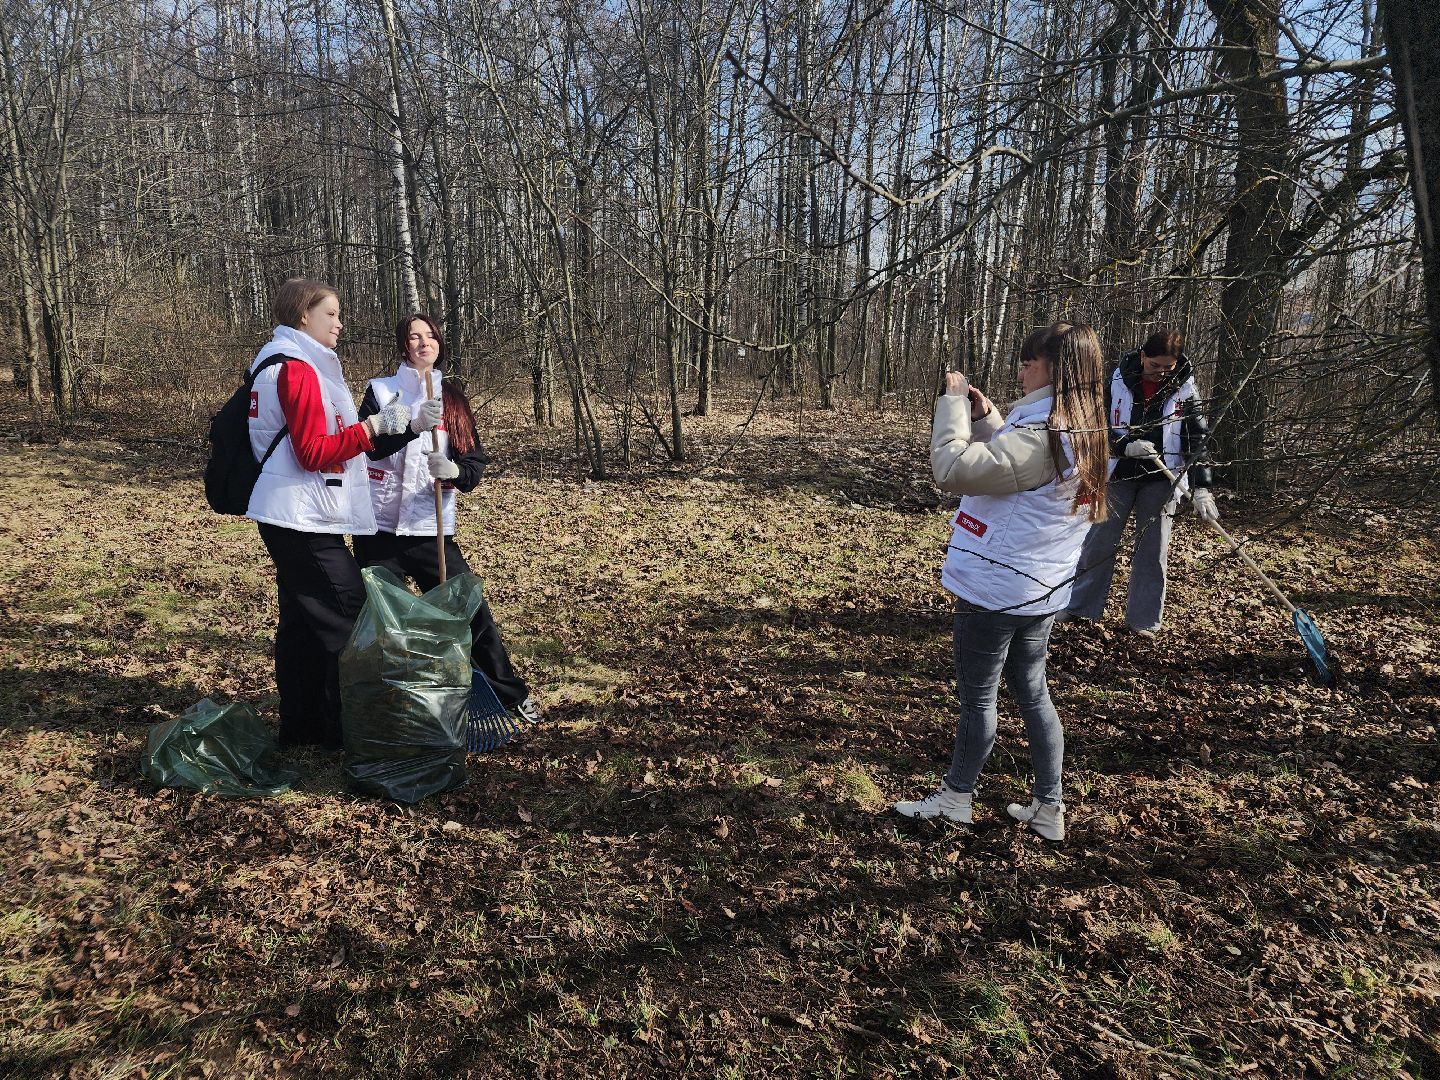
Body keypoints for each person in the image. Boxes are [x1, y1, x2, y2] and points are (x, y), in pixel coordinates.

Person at [894, 322, 1110, 841]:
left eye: (1029, 362)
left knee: (978, 699)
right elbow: (1016, 470)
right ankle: (1048, 808)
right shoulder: (1081, 426)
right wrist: (989, 417)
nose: (1021, 369)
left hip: (997, 589)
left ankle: (955, 798)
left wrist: (951, 406)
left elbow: (953, 469)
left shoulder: (1043, 432)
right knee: (1033, 693)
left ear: (1055, 369)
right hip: (1039, 588)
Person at [246, 278, 442, 749]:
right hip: (300, 516)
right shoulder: (297, 369)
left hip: (298, 511)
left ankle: (305, 729)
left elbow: (328, 439)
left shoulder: (285, 362)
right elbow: (315, 451)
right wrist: (373, 425)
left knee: (301, 622)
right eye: (330, 314)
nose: (340, 323)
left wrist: (396, 426)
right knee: (351, 617)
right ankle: (369, 731)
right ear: (302, 317)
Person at [354, 313, 539, 725]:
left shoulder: (453, 399)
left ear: (439, 343)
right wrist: (413, 427)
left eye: (430, 336)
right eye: (414, 337)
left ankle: (509, 694)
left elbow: (473, 465)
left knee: (471, 613)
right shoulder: (381, 392)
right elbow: (370, 449)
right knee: (381, 624)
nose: (424, 343)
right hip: (379, 530)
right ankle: (387, 705)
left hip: (429, 530)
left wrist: (454, 472)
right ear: (403, 346)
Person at [1060, 328, 1218, 638]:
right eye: (1155, 365)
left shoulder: (1186, 390)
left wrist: (1202, 487)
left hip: (1162, 478)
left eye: (1167, 368)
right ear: (1143, 356)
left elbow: (1197, 438)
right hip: (1118, 472)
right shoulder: (1116, 382)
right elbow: (1094, 427)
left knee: (1153, 550)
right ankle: (1080, 608)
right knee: (1099, 543)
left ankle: (1143, 621)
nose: (1160, 373)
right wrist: (1122, 446)